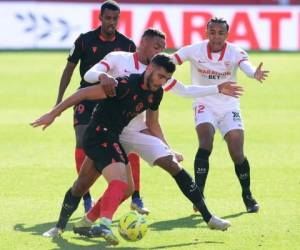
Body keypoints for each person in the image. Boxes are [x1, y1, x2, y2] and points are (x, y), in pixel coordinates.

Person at [31, 54, 231, 245]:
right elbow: (83, 93)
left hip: (115, 137)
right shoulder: (124, 85)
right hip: (99, 135)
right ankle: (88, 226)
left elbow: (153, 123)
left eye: (167, 78)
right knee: (103, 183)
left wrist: (168, 148)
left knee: (125, 187)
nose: (162, 81)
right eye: (160, 76)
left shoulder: (156, 93)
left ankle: (85, 222)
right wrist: (53, 113)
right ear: (150, 69)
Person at [53, 0, 145, 213]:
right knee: (82, 142)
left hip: (114, 102)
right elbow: (69, 69)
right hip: (85, 97)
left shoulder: (127, 44)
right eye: (108, 18)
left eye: (115, 19)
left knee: (129, 143)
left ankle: (136, 196)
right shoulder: (84, 41)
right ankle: (86, 196)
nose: (111, 22)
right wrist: (60, 99)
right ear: (100, 18)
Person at [171, 17, 269, 213]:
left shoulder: (235, 51)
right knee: (205, 141)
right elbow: (170, 60)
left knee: (237, 152)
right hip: (203, 103)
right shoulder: (194, 49)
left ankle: (247, 195)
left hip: (228, 106)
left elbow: (245, 65)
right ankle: (198, 196)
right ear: (206, 33)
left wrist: (253, 74)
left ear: (227, 34)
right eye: (212, 32)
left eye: (221, 33)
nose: (216, 37)